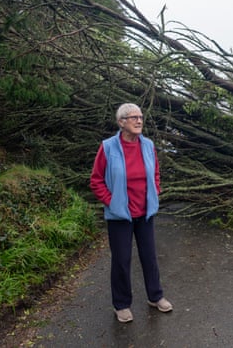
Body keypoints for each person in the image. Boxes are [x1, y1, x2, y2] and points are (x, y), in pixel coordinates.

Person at [90, 103, 172, 323]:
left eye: (141, 117)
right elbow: (96, 180)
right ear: (121, 122)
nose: (139, 121)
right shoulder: (107, 147)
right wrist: (112, 202)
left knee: (149, 256)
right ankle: (122, 305)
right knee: (121, 260)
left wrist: (155, 191)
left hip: (145, 213)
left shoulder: (148, 145)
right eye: (133, 117)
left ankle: (155, 297)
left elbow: (155, 172)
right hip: (120, 216)